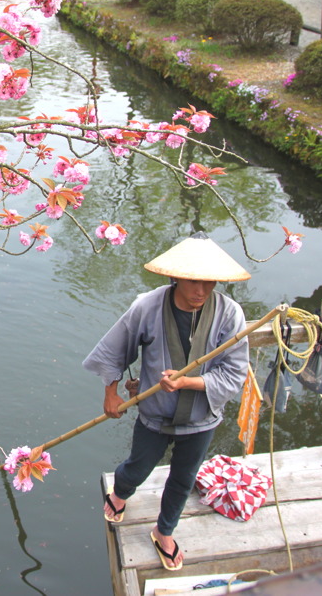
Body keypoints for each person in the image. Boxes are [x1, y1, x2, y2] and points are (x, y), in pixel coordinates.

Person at [82, 232, 250, 571]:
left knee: (184, 477)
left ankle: (165, 531)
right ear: (176, 277)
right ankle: (121, 492)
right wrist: (111, 393)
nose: (200, 291)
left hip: (202, 418)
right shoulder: (147, 306)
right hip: (154, 413)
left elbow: (235, 372)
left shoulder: (230, 314)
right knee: (139, 466)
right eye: (192, 282)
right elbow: (115, 348)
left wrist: (188, 381)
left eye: (208, 283)